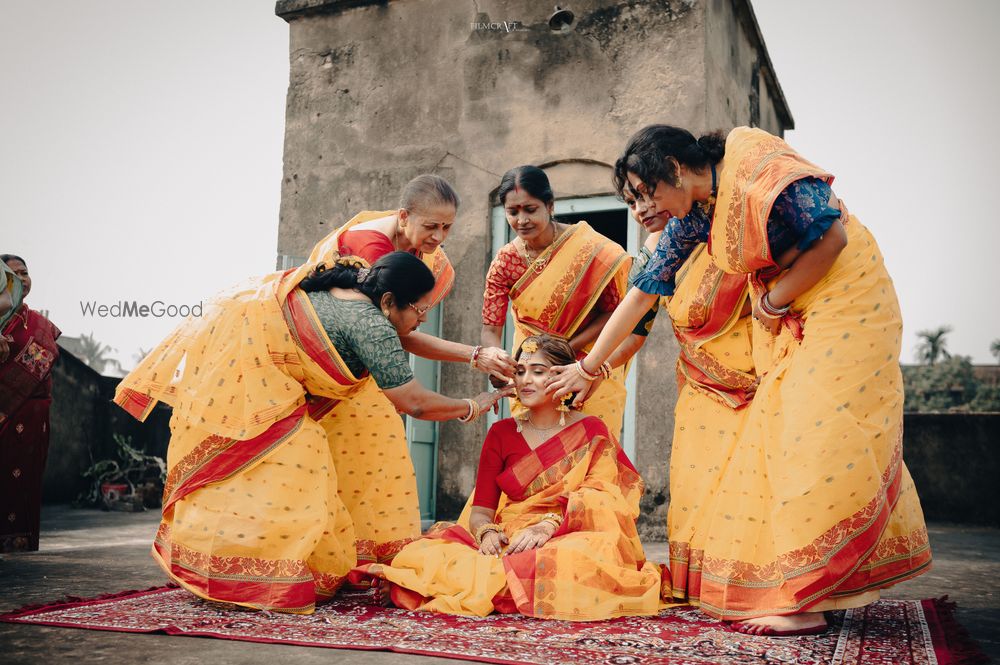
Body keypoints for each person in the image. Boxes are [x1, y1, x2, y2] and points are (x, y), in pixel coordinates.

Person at [547, 125, 931, 635]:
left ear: (677, 170)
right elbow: (641, 292)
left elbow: (832, 238)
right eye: (634, 198)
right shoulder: (698, 213)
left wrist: (773, 301)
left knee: (811, 437)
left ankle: (803, 602)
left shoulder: (757, 173)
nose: (643, 207)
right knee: (783, 442)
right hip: (794, 305)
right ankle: (809, 589)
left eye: (646, 192)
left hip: (844, 295)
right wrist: (585, 366)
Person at [114, 252, 511, 613]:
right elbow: (414, 402)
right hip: (253, 375)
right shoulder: (371, 327)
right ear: (389, 302)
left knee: (275, 472)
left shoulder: (359, 284)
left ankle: (244, 572)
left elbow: (403, 335)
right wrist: (472, 406)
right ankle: (247, 578)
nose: (423, 318)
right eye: (420, 310)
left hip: (256, 358)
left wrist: (473, 355)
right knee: (298, 467)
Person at [349, 335, 665, 620]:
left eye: (538, 371)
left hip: (569, 533)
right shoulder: (501, 433)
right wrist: (486, 533)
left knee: (578, 558)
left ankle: (505, 583)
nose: (526, 380)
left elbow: (606, 496)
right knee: (419, 556)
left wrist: (549, 524)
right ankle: (510, 582)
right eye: (520, 371)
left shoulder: (591, 430)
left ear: (563, 376)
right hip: (510, 536)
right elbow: (483, 509)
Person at [301, 174, 515, 571]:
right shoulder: (369, 252)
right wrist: (473, 383)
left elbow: (402, 327)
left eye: (447, 227)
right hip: (331, 369)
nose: (439, 236)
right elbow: (394, 336)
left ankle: (359, 560)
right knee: (362, 455)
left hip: (360, 365)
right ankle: (337, 559)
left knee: (378, 459)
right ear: (403, 217)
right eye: (431, 226)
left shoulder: (412, 252)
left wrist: (477, 356)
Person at [482, 165, 631, 434]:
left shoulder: (592, 250)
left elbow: (614, 312)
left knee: (590, 449)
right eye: (512, 212)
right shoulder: (505, 262)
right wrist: (497, 361)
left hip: (585, 364)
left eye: (530, 209)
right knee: (536, 453)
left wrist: (564, 351)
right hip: (532, 372)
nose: (521, 220)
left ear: (550, 206)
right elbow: (490, 329)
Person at [0, 254, 61, 552]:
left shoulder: (40, 325)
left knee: (25, 479)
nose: (22, 279)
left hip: (34, 414)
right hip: (4, 414)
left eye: (25, 272)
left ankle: (21, 539)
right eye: (13, 274)